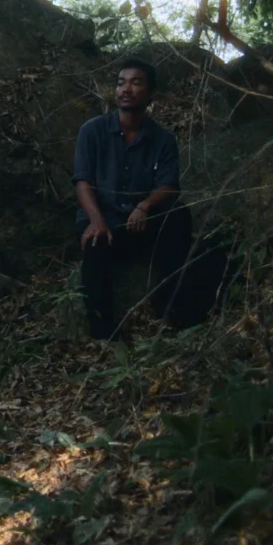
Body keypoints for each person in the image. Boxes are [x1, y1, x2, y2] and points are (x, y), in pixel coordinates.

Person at [71, 59, 193, 340]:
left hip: (141, 224)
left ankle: (171, 311)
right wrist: (97, 221)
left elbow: (169, 185)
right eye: (121, 82)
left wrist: (145, 206)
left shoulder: (162, 139)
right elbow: (82, 181)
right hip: (104, 220)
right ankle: (103, 332)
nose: (126, 89)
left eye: (136, 82)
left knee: (178, 215)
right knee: (95, 240)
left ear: (150, 94)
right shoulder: (92, 131)